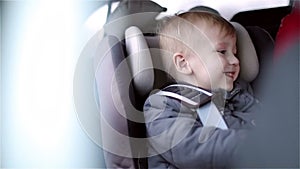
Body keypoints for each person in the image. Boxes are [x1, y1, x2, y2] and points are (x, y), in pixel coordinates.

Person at [143, 11, 259, 168]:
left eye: (235, 53)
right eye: (223, 52)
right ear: (184, 63)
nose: (235, 60)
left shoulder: (240, 96)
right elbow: (191, 147)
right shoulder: (162, 105)